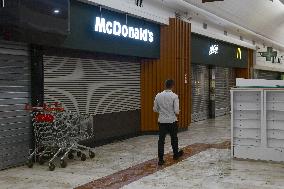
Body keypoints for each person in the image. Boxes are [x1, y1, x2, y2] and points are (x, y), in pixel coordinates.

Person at [153, 79, 184, 166]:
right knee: (174, 138)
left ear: (165, 85)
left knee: (161, 140)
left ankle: (161, 159)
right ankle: (175, 155)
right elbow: (176, 111)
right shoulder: (174, 96)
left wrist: (162, 111)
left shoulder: (158, 95)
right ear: (172, 86)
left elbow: (155, 109)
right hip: (172, 121)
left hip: (162, 121)